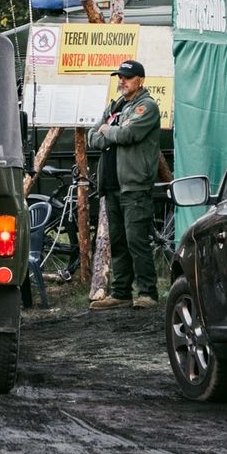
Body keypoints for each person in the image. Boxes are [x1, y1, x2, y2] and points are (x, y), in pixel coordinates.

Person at [88, 59, 163, 310]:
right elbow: (92, 137)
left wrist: (107, 130)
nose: (122, 81)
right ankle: (121, 293)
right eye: (120, 77)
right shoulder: (117, 105)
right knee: (118, 241)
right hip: (111, 186)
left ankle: (148, 293)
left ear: (140, 80)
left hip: (134, 185)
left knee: (136, 241)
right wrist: (109, 132)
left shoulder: (146, 106)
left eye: (127, 77)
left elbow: (127, 134)